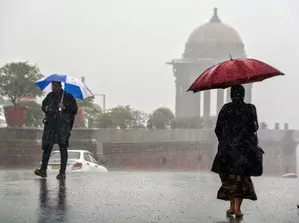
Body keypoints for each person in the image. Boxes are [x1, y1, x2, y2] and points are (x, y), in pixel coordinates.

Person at [211, 84, 259, 218]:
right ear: (244, 94)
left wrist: (225, 141)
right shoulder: (250, 108)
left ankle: (231, 206)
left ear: (231, 94)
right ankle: (237, 208)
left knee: (229, 178)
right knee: (241, 179)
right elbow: (254, 128)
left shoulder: (226, 109)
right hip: (244, 150)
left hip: (227, 151)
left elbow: (217, 129)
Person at [35, 81, 78, 180]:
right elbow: (44, 106)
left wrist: (65, 107)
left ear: (60, 86)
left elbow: (74, 110)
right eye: (53, 86)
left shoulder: (68, 96)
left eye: (56, 86)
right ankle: (43, 170)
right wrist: (47, 108)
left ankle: (62, 173)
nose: (54, 88)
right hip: (50, 125)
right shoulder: (49, 96)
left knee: (63, 148)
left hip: (63, 126)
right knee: (47, 147)